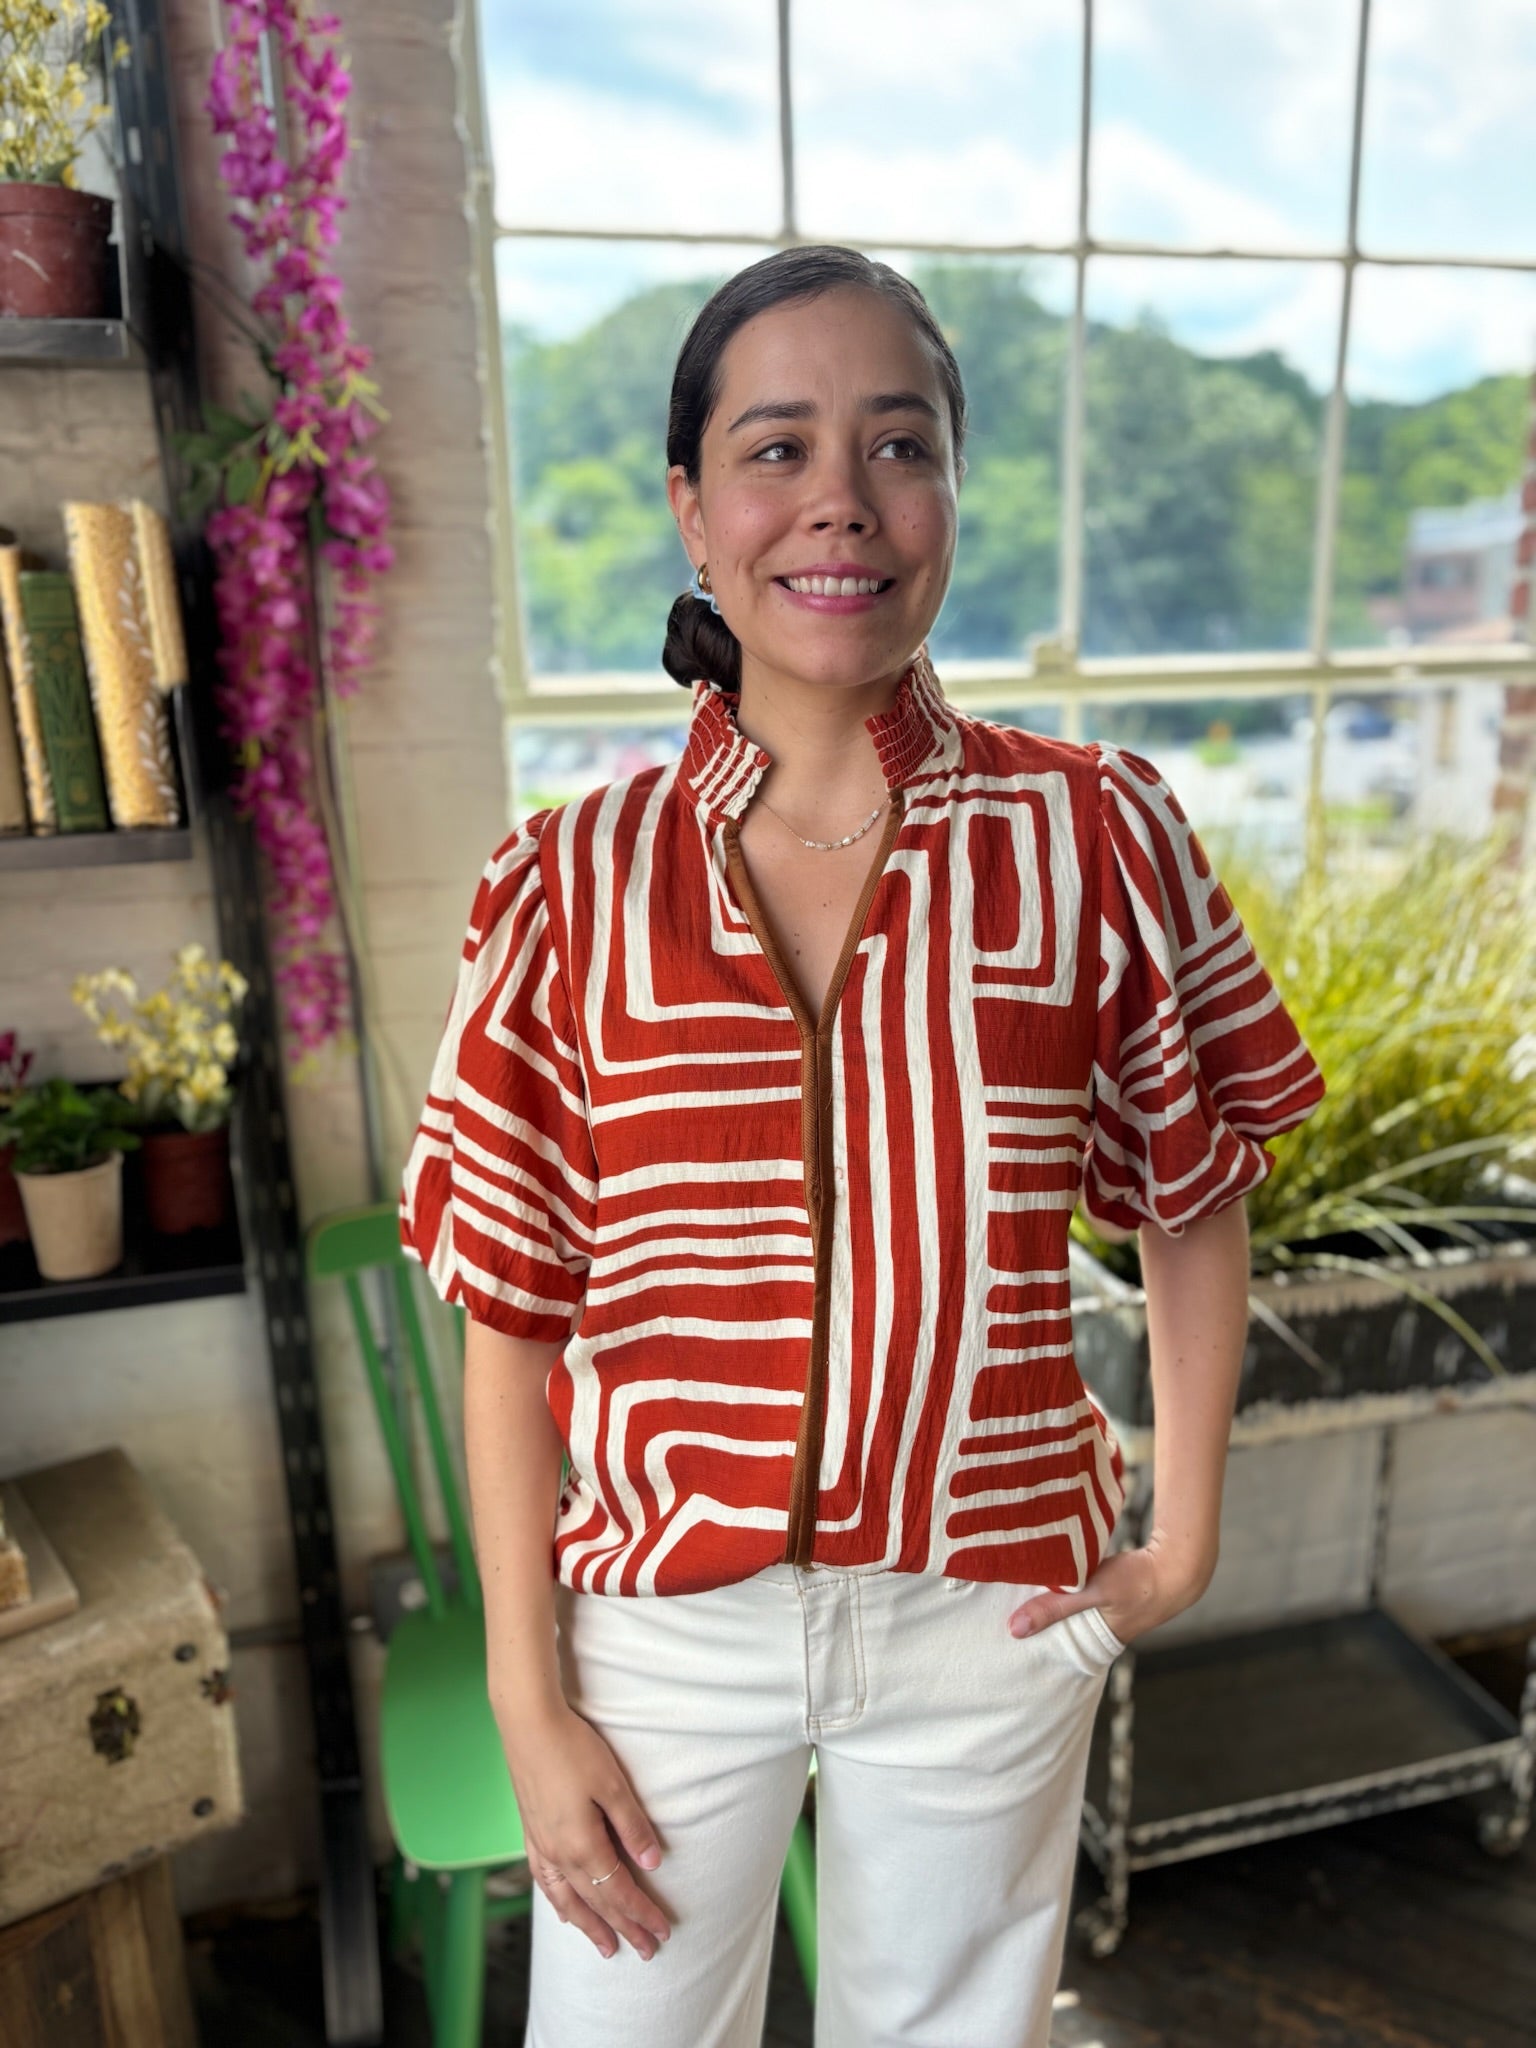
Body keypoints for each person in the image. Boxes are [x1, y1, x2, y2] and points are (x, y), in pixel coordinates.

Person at [399, 245, 1327, 2048]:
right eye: (777, 449)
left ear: (955, 490)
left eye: (900, 445)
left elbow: (1195, 1186)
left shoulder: (1096, 837)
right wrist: (529, 1693)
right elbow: (508, 1307)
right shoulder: (569, 883)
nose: (842, 499)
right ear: (692, 508)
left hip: (995, 1612)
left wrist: (1184, 1539)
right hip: (664, 1631)